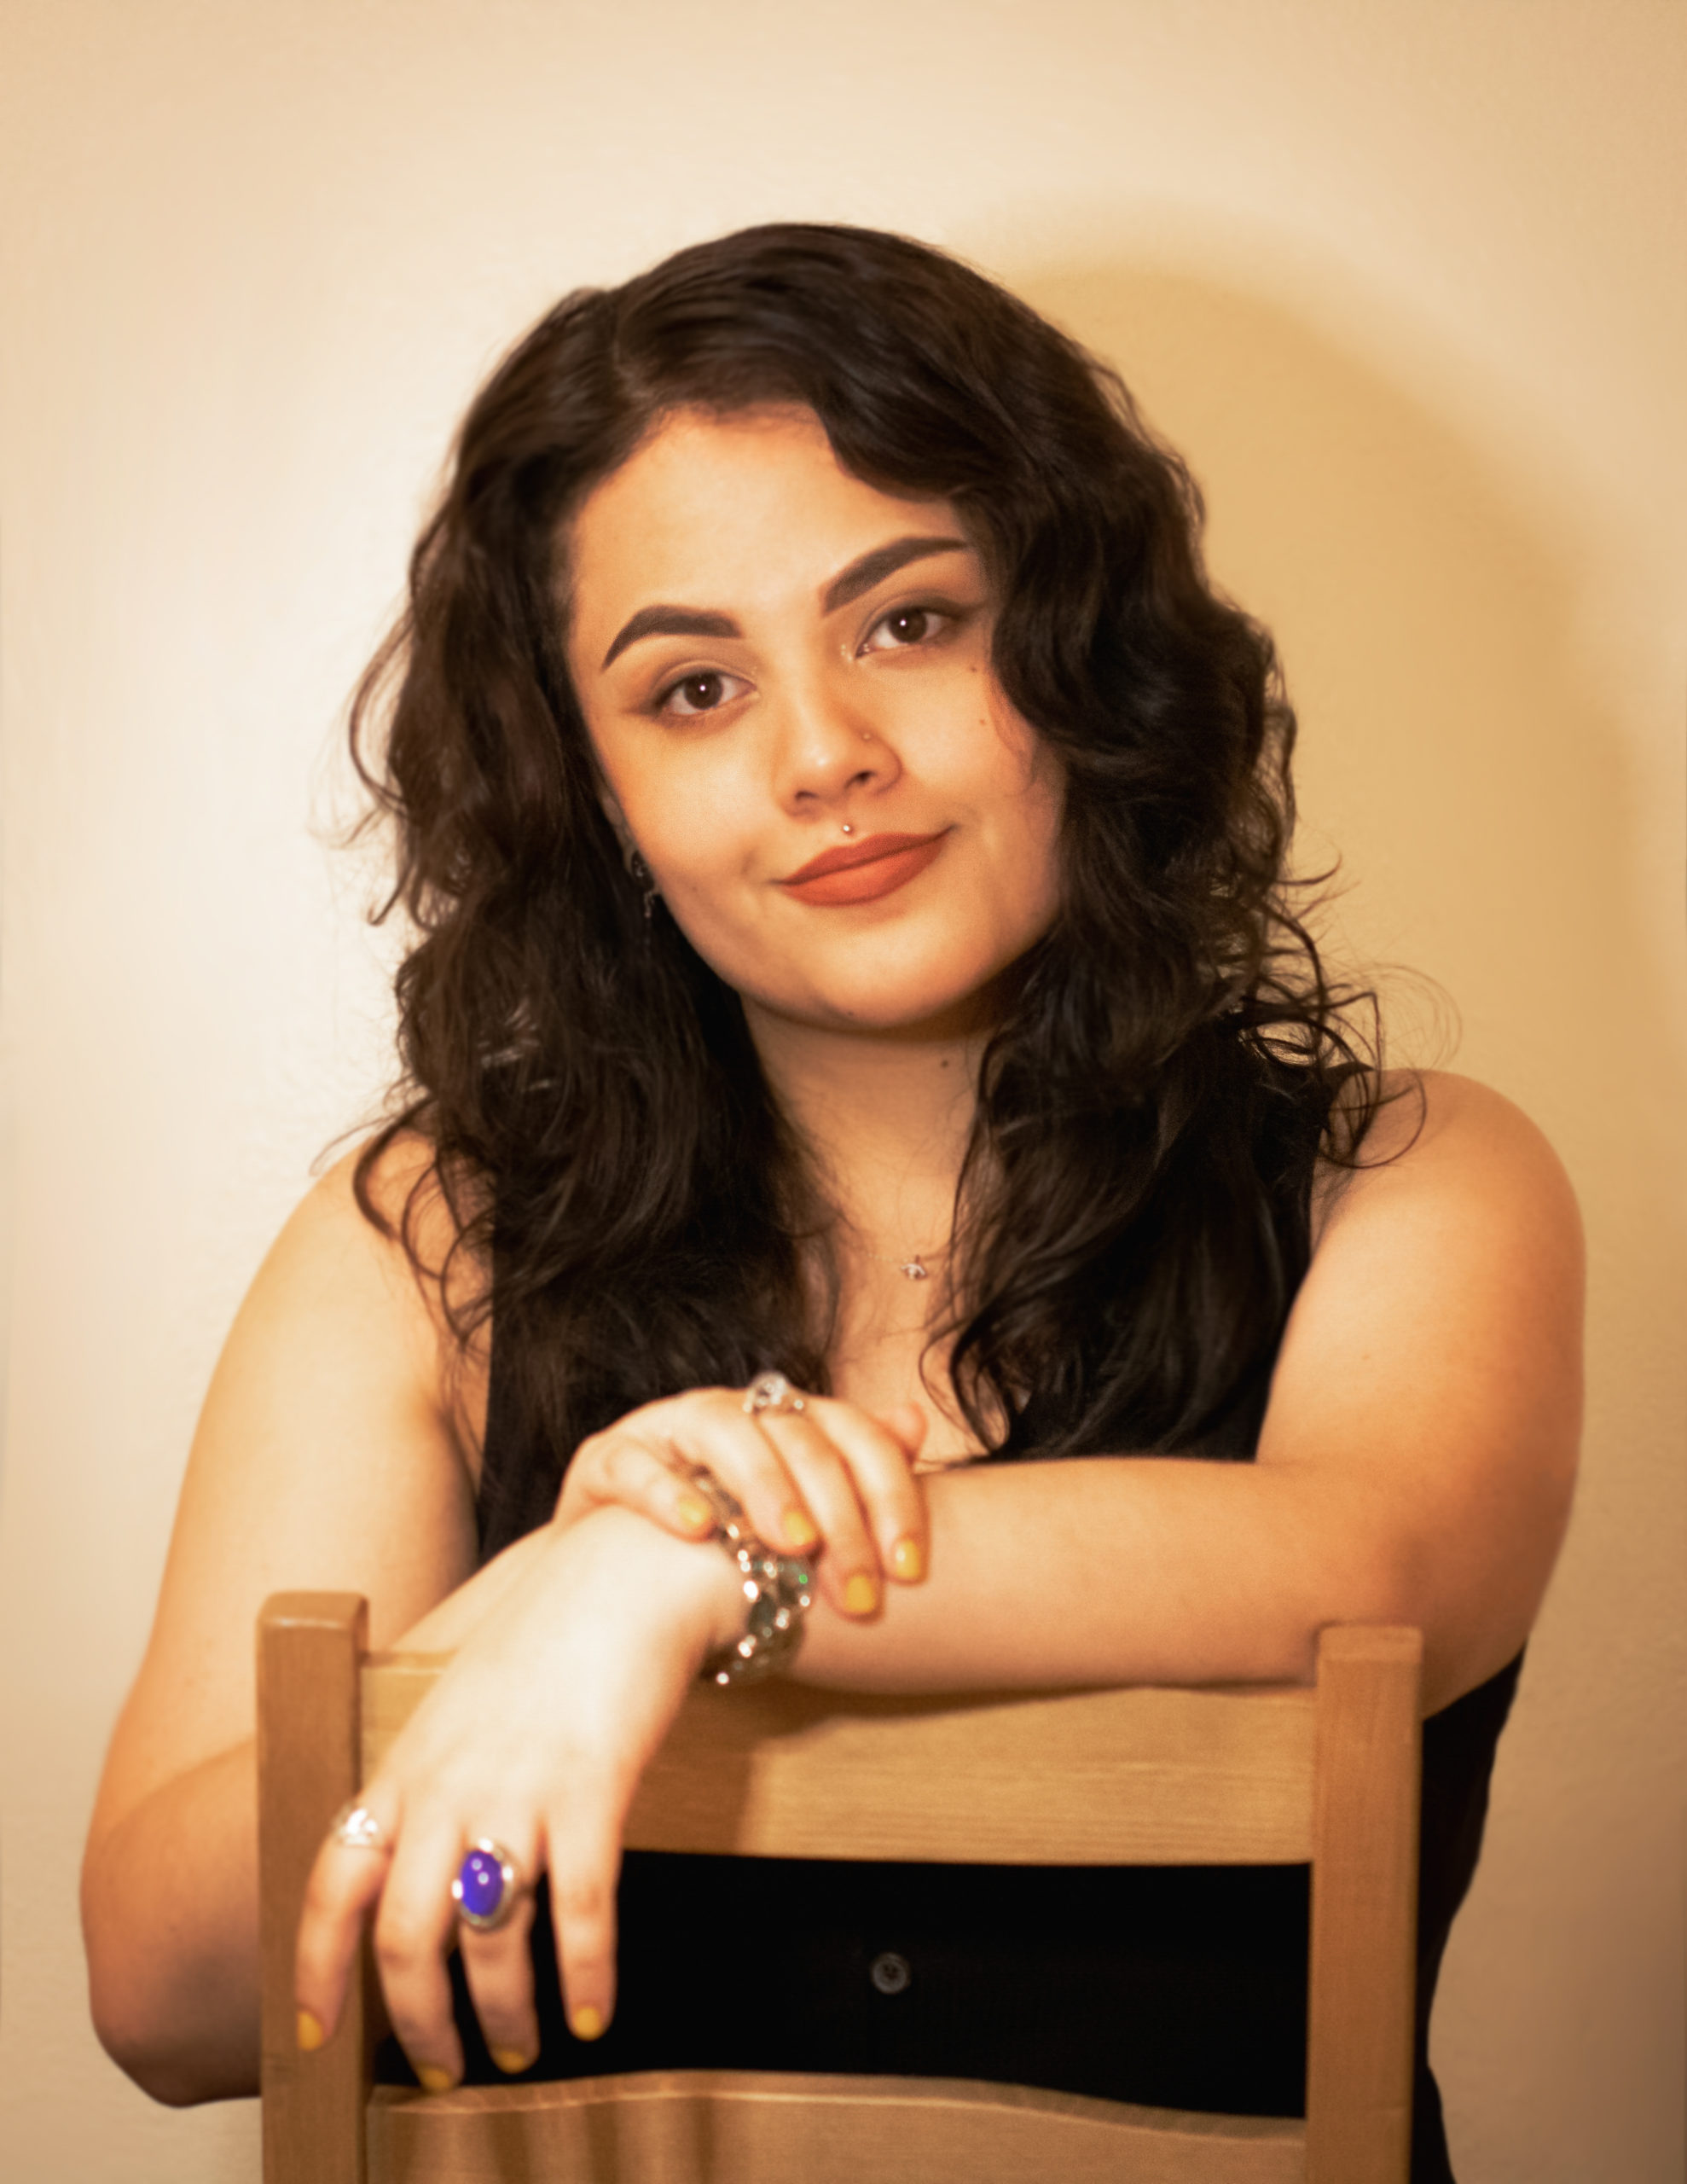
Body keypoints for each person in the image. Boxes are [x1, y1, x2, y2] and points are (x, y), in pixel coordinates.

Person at [80, 224, 1581, 2181]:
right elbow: (172, 2002)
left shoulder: (1415, 1178)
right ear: (591, 790)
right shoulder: (415, 1249)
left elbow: (1361, 1563)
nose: (823, 757)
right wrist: (522, 1617)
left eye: (906, 622)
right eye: (692, 687)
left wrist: (681, 1573)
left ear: (1081, 654)